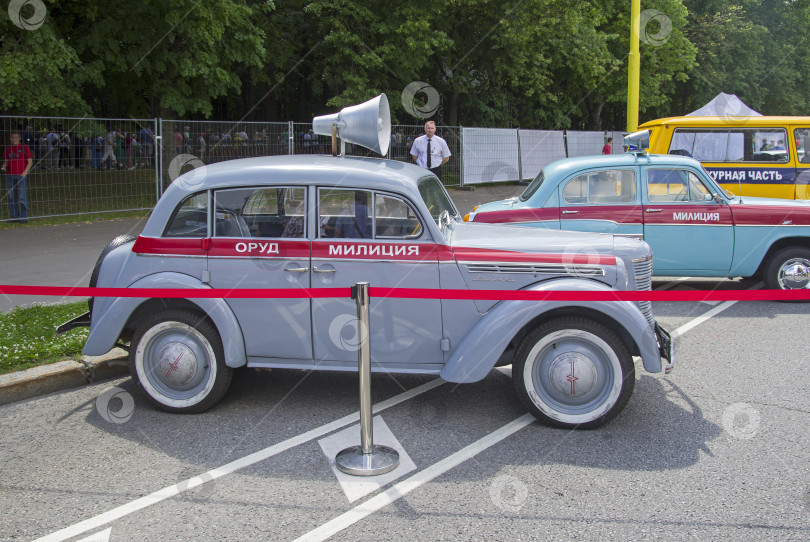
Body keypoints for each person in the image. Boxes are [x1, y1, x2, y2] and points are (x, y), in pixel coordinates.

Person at [2, 131, 33, 223]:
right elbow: (7, 159)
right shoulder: (8, 148)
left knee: (22, 197)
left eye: (16, 137)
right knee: (12, 197)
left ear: (19, 138)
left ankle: (23, 217)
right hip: (10, 175)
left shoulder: (24, 147)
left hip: (21, 175)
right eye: (12, 137)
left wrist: (25, 172)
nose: (14, 139)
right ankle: (14, 217)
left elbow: (30, 162)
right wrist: (4, 165)